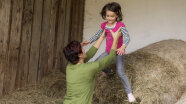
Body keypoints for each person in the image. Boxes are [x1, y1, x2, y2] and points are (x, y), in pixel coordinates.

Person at [82, 2, 135, 102]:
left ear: (117, 15)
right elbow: (98, 34)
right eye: (107, 16)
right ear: (104, 15)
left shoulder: (120, 25)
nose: (109, 18)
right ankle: (109, 71)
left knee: (120, 72)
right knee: (97, 63)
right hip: (108, 51)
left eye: (112, 16)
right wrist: (89, 41)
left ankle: (129, 92)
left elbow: (127, 37)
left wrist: (123, 46)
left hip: (119, 52)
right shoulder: (104, 26)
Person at [63, 27, 122, 104]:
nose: (84, 49)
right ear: (80, 55)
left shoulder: (70, 65)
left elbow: (89, 54)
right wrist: (116, 39)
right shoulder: (89, 68)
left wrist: (102, 37)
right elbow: (110, 57)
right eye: (82, 49)